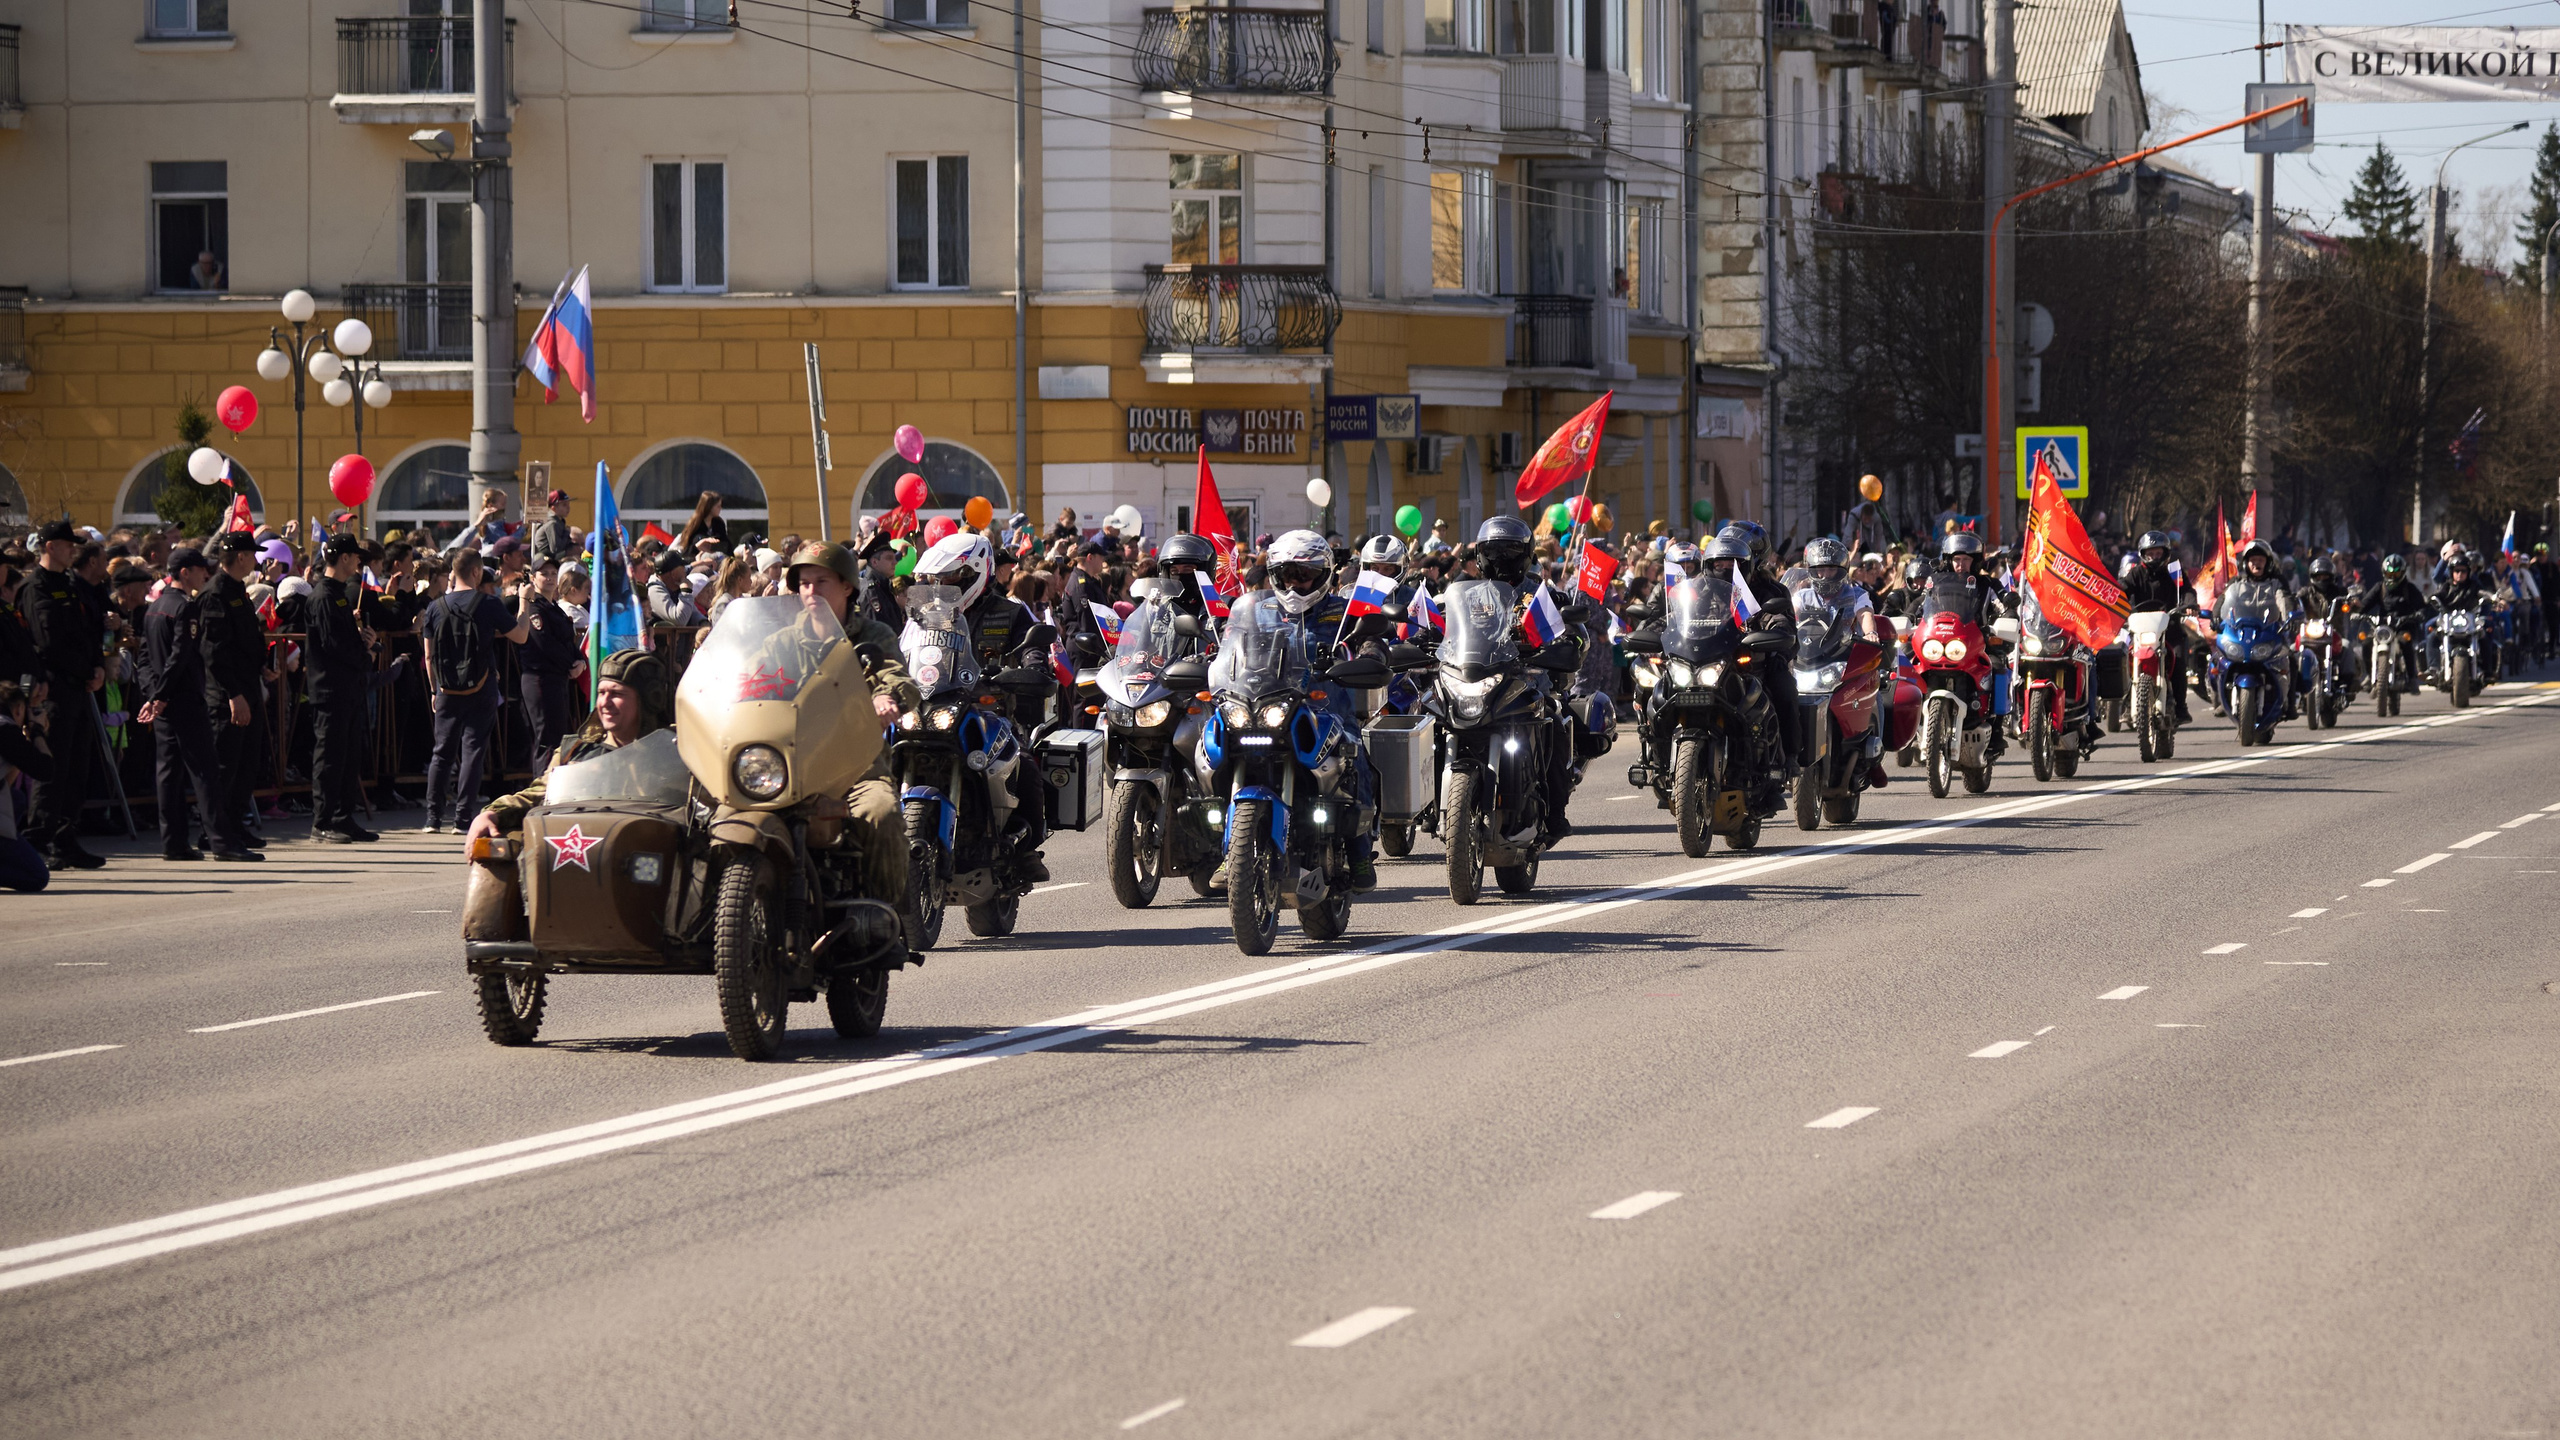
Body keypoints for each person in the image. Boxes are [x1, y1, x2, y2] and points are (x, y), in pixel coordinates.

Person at [911, 531, 1057, 884]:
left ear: (974, 573)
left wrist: (1032, 666)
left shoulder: (1010, 612)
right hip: (936, 710)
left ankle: (1025, 849)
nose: (943, 586)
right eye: (938, 580)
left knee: (1025, 766)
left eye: (950, 579)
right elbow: (906, 650)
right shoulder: (927, 616)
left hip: (991, 713)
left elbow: (1033, 649)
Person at [780, 543, 920, 908]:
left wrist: (884, 697)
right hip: (788, 767)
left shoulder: (873, 635)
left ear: (847, 587)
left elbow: (897, 677)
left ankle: (882, 914)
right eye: (804, 583)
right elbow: (746, 680)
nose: (811, 591)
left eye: (821, 581)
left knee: (881, 814)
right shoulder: (782, 641)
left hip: (856, 768)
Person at [1267, 529, 1382, 886]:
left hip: (1327, 710)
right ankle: (1233, 848)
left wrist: (1370, 653)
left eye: (1305, 575)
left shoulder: (1343, 610)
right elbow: (1232, 643)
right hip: (1268, 707)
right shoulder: (1263, 611)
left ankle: (1360, 851)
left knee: (1354, 756)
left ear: (1323, 575)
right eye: (1288, 575)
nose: (1296, 584)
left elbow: (1369, 637)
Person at [468, 649, 676, 847]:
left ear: (649, 700)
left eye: (617, 694)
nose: (605, 702)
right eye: (601, 693)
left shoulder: (675, 752)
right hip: (582, 855)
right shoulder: (576, 750)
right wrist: (492, 812)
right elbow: (539, 793)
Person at [138, 549, 260, 863]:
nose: (203, 575)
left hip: (164, 703)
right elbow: (179, 658)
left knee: (168, 773)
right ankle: (222, 841)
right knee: (206, 773)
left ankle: (174, 842)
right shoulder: (184, 608)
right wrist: (162, 696)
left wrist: (153, 696)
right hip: (184, 700)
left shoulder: (154, 609)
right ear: (184, 573)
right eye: (197, 570)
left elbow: (145, 661)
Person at [422, 550, 534, 833]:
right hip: (482, 686)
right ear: (475, 572)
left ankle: (432, 819)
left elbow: (428, 655)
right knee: (473, 751)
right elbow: (520, 635)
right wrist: (524, 601)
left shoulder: (435, 607)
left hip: (446, 689)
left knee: (442, 753)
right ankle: (461, 820)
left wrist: (435, 689)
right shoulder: (488, 603)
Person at [19, 520, 107, 870]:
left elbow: (91, 628)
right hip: (55, 687)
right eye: (67, 544)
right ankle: (37, 841)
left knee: (76, 769)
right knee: (52, 771)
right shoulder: (35, 586)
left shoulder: (70, 585)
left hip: (79, 687)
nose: (74, 549)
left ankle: (65, 839)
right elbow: (48, 641)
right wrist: (87, 670)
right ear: (49, 546)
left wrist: (98, 666)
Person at [200, 532, 274, 849]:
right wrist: (233, 693)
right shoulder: (215, 593)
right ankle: (215, 831)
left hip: (248, 687)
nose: (256, 560)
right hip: (228, 694)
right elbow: (214, 651)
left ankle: (235, 823)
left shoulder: (237, 591)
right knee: (225, 765)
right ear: (241, 556)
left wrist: (263, 665)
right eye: (252, 554)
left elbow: (247, 639)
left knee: (246, 764)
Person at [307, 533, 381, 842]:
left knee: (349, 756)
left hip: (348, 687)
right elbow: (332, 645)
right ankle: (323, 821)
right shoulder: (324, 595)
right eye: (354, 556)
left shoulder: (337, 594)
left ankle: (342, 816)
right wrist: (364, 654)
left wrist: (362, 638)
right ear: (344, 558)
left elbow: (341, 636)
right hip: (330, 688)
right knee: (330, 757)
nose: (358, 562)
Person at [2121, 531, 2195, 725]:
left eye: (2158, 553)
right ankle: (2127, 706)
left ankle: (2181, 706)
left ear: (2166, 553)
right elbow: (2122, 589)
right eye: (2150, 553)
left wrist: (2189, 604)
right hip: (2141, 631)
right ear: (2143, 554)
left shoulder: (2174, 571)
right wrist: (2112, 598)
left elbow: (2186, 590)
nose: (2154, 557)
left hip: (2169, 629)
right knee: (2125, 659)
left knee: (2178, 660)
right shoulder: (2136, 573)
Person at [518, 558, 582, 760]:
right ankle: (541, 787)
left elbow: (567, 641)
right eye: (544, 574)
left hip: (557, 678)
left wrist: (579, 659)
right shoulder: (535, 608)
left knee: (557, 739)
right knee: (546, 740)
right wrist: (570, 664)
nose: (550, 578)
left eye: (553, 573)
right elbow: (544, 643)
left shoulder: (554, 608)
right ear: (533, 578)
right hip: (541, 678)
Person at [0, 682, 51, 891]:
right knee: (37, 877)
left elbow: (5, 784)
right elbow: (46, 770)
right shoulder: (5, 728)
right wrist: (37, 732)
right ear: (19, 709)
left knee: (16, 799)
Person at [527, 488, 577, 567]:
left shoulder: (559, 521)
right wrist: (566, 533)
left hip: (551, 556)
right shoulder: (552, 523)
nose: (568, 508)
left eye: (568, 504)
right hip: (544, 558)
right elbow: (555, 549)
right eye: (564, 505)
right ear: (553, 508)